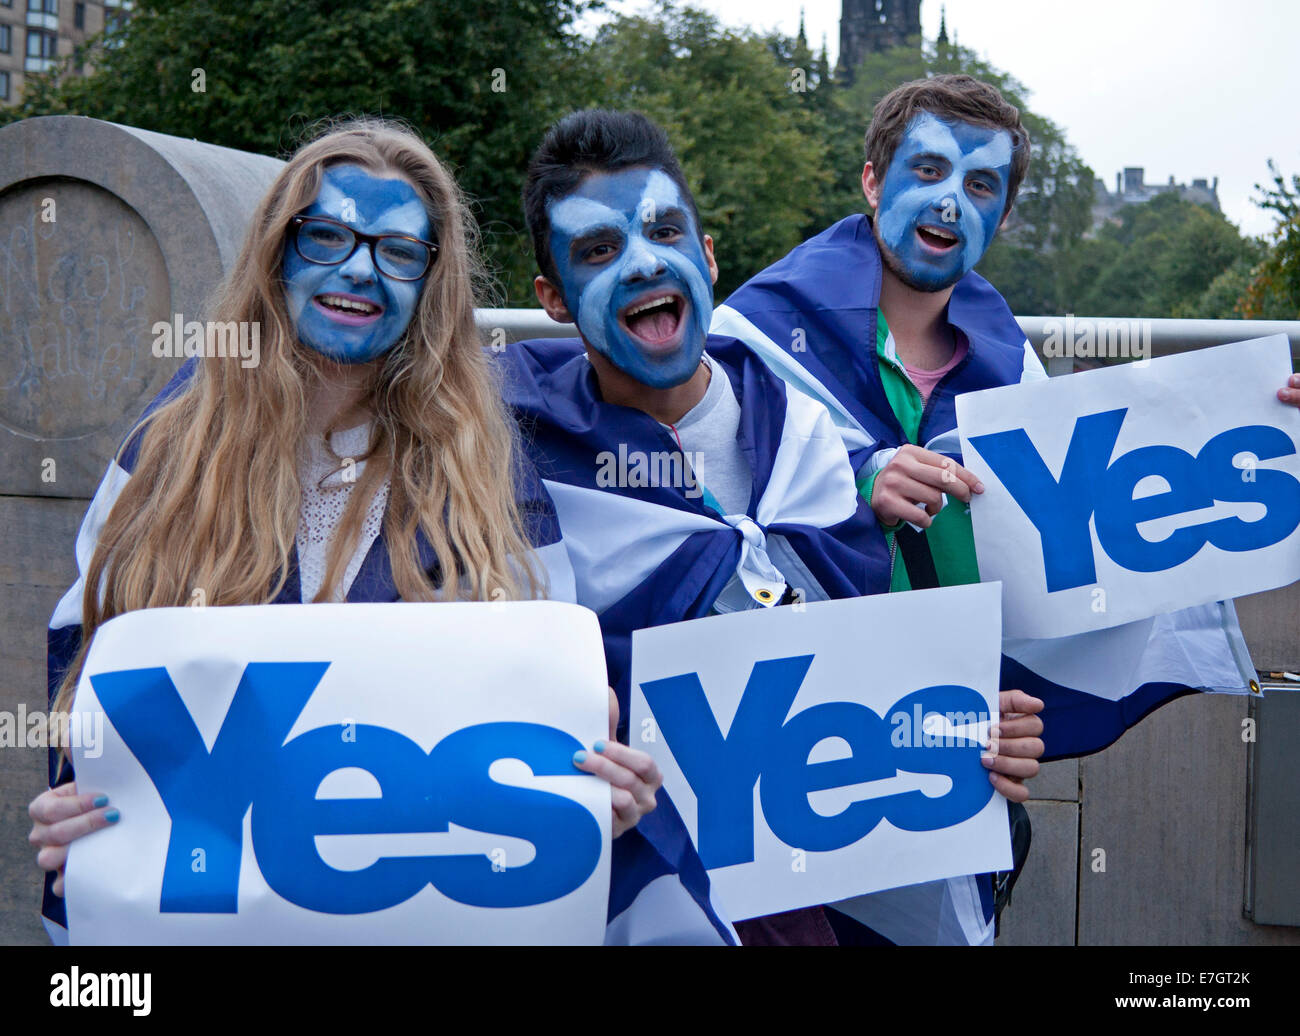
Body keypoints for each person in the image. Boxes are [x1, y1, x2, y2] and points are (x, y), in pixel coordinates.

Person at [27, 118, 679, 945]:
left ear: (430, 284)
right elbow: (85, 677)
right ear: (278, 251)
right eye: (329, 235)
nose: (361, 270)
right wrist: (76, 805)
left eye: (399, 252)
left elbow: (548, 716)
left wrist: (596, 801)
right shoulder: (167, 452)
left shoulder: (489, 475)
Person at [499, 108, 1043, 945]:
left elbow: (862, 673)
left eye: (665, 230)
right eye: (598, 251)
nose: (645, 261)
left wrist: (968, 726)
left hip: (807, 894)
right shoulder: (513, 454)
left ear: (707, 255)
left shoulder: (805, 435)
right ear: (553, 300)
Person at [716, 74, 1273, 766]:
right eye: (927, 170)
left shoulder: (1016, 366)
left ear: (1003, 218)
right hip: (797, 732)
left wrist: (1278, 436)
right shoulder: (756, 335)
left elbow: (1110, 530)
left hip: (957, 738)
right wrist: (856, 490)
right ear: (871, 182)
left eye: (981, 186)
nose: (950, 199)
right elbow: (699, 525)